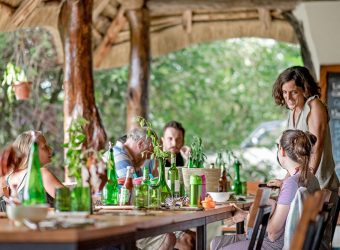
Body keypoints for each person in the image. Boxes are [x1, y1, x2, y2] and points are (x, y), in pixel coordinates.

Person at [211, 129, 320, 250]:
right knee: (216, 243)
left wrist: (246, 216)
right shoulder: (311, 178)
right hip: (294, 241)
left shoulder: (291, 184)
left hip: (277, 245)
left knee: (219, 247)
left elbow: (273, 230)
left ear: (282, 151)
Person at [271, 66, 339, 191]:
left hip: (321, 187)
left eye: (294, 92)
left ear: (305, 90)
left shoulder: (314, 106)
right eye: (285, 92)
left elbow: (316, 148)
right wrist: (285, 181)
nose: (288, 98)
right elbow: (296, 158)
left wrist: (306, 181)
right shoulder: (292, 112)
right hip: (304, 185)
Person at [0, 131, 64, 208]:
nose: (50, 150)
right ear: (31, 151)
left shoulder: (8, 178)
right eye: (44, 147)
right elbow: (72, 203)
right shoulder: (42, 174)